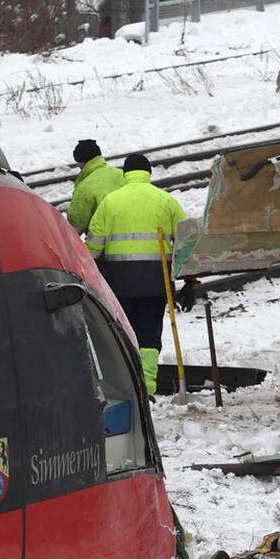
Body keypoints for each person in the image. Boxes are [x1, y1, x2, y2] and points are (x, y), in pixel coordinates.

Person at [85, 153, 193, 396]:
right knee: (149, 331)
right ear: (149, 173)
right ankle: (148, 387)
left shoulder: (110, 202)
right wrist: (190, 281)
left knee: (124, 330)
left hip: (119, 282)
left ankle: (128, 385)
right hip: (157, 281)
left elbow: (92, 247)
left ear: (125, 174)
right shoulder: (166, 200)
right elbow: (187, 241)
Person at [66, 139, 124, 234]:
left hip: (108, 243)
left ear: (82, 162)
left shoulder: (84, 188)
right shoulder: (122, 174)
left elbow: (75, 225)